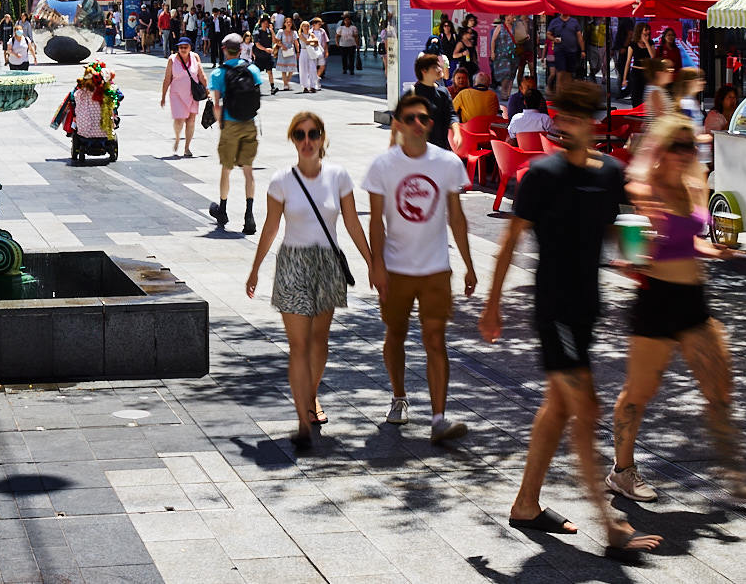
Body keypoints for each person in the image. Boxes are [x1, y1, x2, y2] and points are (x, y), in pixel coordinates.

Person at [481, 78, 658, 551]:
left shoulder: (608, 174)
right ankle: (610, 523)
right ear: (560, 119)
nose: (574, 124)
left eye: (583, 117)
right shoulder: (542, 174)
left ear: (594, 122)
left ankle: (526, 504)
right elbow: (511, 240)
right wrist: (493, 303)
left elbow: (623, 231)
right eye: (567, 116)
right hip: (553, 309)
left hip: (586, 310)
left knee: (557, 408)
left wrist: (639, 263)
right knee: (586, 409)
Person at [607, 116, 746, 506]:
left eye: (689, 146)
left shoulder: (695, 183)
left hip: (694, 301)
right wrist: (632, 256)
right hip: (657, 301)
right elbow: (634, 248)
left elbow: (691, 243)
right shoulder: (644, 189)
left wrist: (721, 251)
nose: (684, 153)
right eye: (675, 145)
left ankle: (737, 475)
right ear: (658, 148)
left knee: (720, 388)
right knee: (638, 394)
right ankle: (621, 472)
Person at [245, 111, 379, 450]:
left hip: (327, 264)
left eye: (313, 134)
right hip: (293, 263)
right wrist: (255, 267)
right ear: (293, 139)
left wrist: (371, 262)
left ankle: (312, 396)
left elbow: (351, 223)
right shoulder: (280, 181)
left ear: (323, 138)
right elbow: (271, 227)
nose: (307, 141)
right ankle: (303, 421)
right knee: (299, 346)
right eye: (300, 135)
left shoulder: (338, 176)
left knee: (320, 342)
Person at [365, 88, 476, 443]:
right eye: (410, 118)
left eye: (424, 118)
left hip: (435, 269)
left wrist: (469, 265)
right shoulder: (383, 166)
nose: (417, 124)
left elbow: (457, 218)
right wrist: (376, 264)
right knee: (395, 334)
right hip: (396, 269)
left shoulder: (447, 163)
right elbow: (375, 222)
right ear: (397, 123)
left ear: (431, 124)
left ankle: (439, 417)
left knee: (435, 339)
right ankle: (399, 397)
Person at [208, 35, 269, 234]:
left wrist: (222, 125)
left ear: (225, 49)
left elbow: (216, 105)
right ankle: (249, 216)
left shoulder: (218, 73)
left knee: (226, 169)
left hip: (230, 124)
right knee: (248, 170)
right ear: (241, 49)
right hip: (250, 123)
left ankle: (223, 210)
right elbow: (257, 96)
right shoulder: (252, 69)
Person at [161, 38, 206, 159]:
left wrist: (208, 90)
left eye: (185, 47)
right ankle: (177, 138)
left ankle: (187, 148)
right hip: (177, 94)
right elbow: (167, 79)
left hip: (192, 93)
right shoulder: (172, 59)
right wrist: (163, 96)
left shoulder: (195, 57)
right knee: (179, 120)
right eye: (181, 47)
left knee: (191, 120)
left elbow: (201, 75)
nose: (183, 49)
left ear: (190, 47)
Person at [406, 52, 456, 151]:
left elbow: (451, 115)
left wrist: (457, 131)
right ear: (424, 71)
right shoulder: (414, 92)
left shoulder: (443, 92)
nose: (439, 69)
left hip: (441, 148)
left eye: (439, 65)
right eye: (435, 66)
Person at [251, 19, 278, 94]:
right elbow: (257, 44)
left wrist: (272, 30)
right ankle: (255, 87)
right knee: (257, 72)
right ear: (261, 23)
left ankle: (272, 87)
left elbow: (274, 41)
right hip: (259, 55)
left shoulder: (269, 31)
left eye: (267, 23)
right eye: (264, 23)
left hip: (267, 56)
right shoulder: (257, 32)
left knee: (270, 71)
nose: (266, 24)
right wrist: (265, 49)